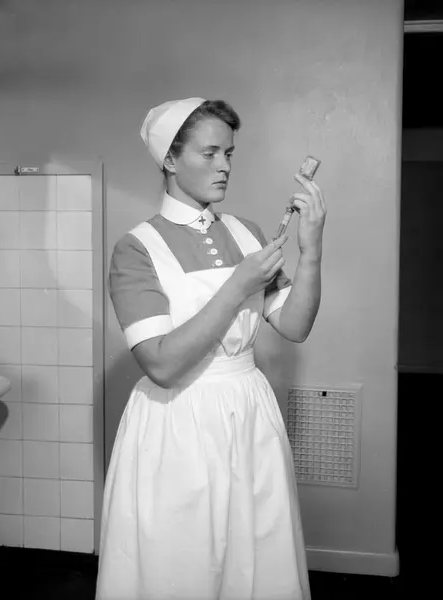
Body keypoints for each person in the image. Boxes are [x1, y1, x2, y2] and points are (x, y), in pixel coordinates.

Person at [96, 97, 326, 600]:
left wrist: (310, 250)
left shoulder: (246, 232)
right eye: (210, 153)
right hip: (177, 420)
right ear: (170, 160)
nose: (225, 166)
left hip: (248, 411)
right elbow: (161, 364)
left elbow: (294, 325)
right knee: (183, 560)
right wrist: (238, 285)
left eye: (229, 153)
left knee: (256, 550)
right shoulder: (137, 248)